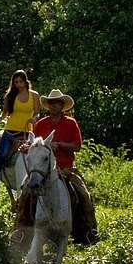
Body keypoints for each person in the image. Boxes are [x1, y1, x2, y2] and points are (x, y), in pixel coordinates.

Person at [32, 88, 98, 240]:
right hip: (44, 171)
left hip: (66, 168)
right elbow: (35, 146)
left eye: (57, 103)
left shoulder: (70, 123)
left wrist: (60, 145)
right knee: (25, 195)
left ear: (62, 106)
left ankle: (90, 231)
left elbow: (77, 146)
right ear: (48, 106)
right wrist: (26, 148)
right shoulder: (41, 124)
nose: (54, 106)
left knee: (84, 196)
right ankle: (20, 230)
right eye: (51, 103)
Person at [0, 70, 40, 195]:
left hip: (26, 131)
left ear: (25, 82)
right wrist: (0, 118)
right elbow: (5, 112)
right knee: (2, 155)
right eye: (16, 82)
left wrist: (34, 118)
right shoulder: (10, 96)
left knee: (36, 153)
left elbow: (37, 112)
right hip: (10, 130)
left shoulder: (34, 95)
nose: (19, 84)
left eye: (21, 81)